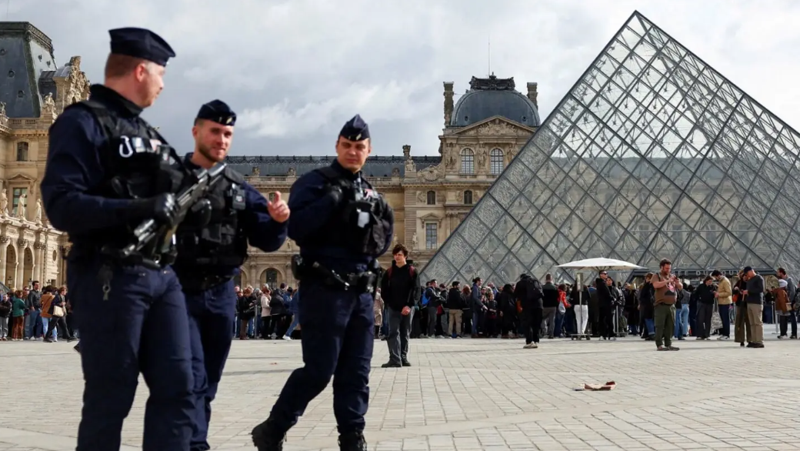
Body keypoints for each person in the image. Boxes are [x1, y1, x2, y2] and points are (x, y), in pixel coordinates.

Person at [39, 28, 196, 450]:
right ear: (141, 71)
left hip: (162, 274)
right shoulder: (82, 123)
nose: (164, 85)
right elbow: (62, 205)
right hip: (111, 272)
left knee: (181, 388)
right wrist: (135, 209)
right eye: (161, 74)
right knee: (111, 397)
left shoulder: (150, 134)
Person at [251, 114, 394, 451]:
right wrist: (332, 201)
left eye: (360, 147)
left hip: (360, 294)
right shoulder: (314, 183)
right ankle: (274, 427)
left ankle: (352, 438)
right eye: (347, 145)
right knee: (319, 370)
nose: (353, 152)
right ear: (337, 146)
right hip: (324, 290)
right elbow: (296, 228)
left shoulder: (372, 193)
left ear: (369, 150)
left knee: (356, 374)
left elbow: (384, 238)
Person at [171, 100, 289, 451]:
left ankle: (195, 440)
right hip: (178, 291)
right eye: (214, 131)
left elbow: (267, 240)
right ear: (196, 131)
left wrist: (279, 221)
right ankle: (195, 445)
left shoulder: (239, 188)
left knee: (207, 379)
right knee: (188, 376)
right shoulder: (169, 179)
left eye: (227, 134)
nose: (221, 139)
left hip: (222, 293)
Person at [380, 243, 420, 368]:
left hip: (408, 308)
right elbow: (384, 291)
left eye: (400, 255)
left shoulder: (413, 272)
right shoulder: (389, 272)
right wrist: (391, 305)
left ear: (405, 256)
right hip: (393, 308)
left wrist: (409, 305)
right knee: (393, 333)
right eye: (395, 254)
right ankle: (394, 358)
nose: (397, 257)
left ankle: (403, 357)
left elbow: (416, 290)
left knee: (405, 332)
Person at [651, 259, 682, 351]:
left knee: (670, 325)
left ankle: (668, 343)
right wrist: (667, 281)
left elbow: (680, 287)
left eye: (669, 268)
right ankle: (659, 344)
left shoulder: (672, 276)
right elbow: (656, 285)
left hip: (671, 305)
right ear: (661, 267)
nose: (668, 270)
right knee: (660, 325)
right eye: (666, 268)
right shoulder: (657, 276)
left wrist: (677, 282)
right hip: (661, 305)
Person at [515, 273, 543, 349]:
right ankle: (536, 340)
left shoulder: (520, 283)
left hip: (527, 306)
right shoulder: (536, 281)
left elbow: (515, 295)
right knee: (536, 324)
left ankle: (529, 341)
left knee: (527, 324)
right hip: (538, 305)